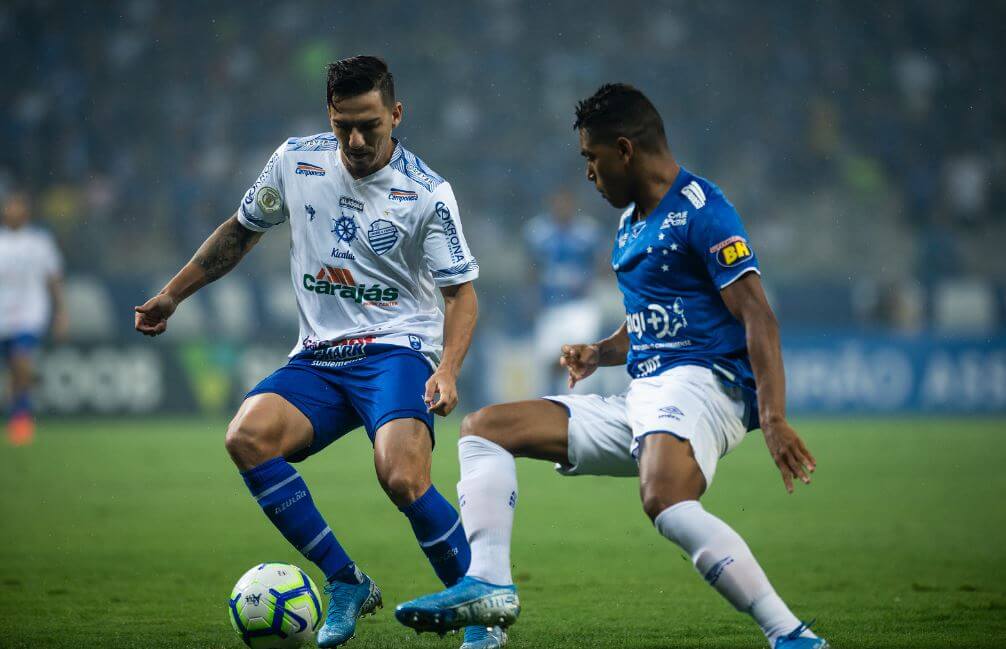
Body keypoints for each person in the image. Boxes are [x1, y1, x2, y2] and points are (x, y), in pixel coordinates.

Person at [395, 84, 829, 649]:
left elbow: (758, 318)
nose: (588, 174)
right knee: (483, 432)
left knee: (666, 501)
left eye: (590, 159)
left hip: (705, 386)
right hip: (646, 395)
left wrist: (772, 417)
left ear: (623, 149)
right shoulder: (629, 224)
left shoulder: (703, 210)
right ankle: (490, 588)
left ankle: (790, 634)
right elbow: (651, 320)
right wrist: (601, 351)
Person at [134, 57, 503, 649]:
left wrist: (448, 368)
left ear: (396, 115)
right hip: (319, 357)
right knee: (245, 438)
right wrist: (172, 296)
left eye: (369, 125)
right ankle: (346, 581)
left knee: (402, 476)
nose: (355, 140)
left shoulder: (427, 194)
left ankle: (480, 611)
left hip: (398, 350)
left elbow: (462, 295)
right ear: (328, 117)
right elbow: (240, 230)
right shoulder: (295, 161)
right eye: (343, 125)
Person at [0, 191, 67, 445]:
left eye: (18, 205)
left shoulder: (39, 242)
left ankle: (21, 419)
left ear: (26, 211)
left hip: (30, 315)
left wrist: (61, 312)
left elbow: (54, 280)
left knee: (20, 360)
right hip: (2, 317)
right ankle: (27, 385)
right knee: (15, 372)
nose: (14, 210)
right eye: (10, 206)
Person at [522, 188, 605, 395]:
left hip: (580, 306)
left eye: (566, 203)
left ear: (572, 205)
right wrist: (531, 299)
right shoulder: (537, 231)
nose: (562, 208)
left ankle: (578, 410)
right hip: (549, 306)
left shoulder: (588, 232)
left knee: (580, 358)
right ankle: (551, 406)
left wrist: (589, 281)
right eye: (558, 203)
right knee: (549, 362)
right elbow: (530, 268)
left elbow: (602, 264)